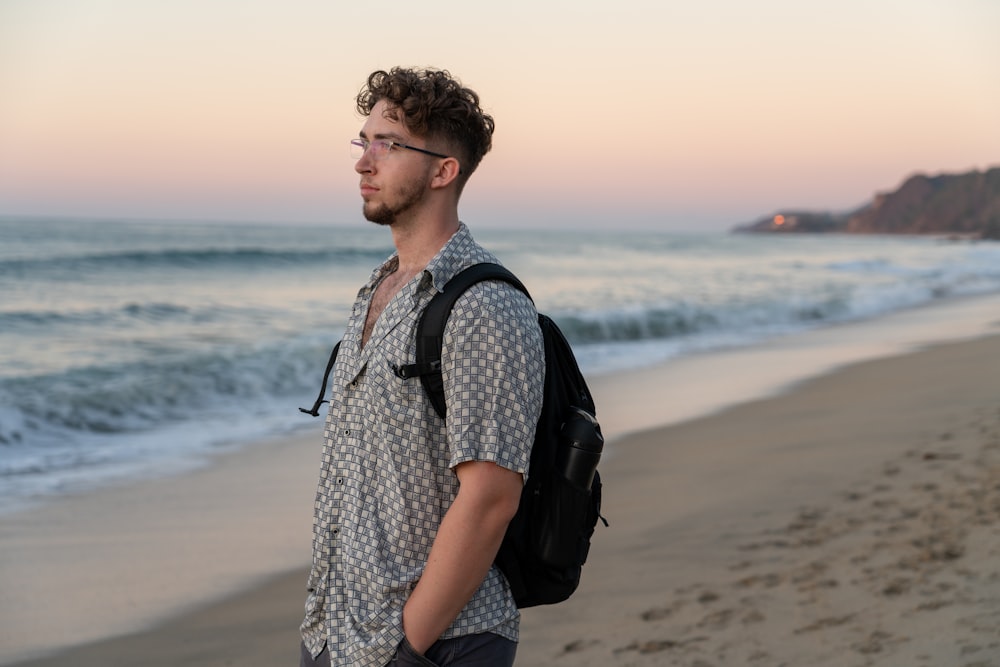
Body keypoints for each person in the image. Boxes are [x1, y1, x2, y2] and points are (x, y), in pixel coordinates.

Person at [299, 68, 545, 667]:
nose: (364, 162)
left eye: (388, 144)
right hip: (337, 631)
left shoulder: (483, 305)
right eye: (364, 142)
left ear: (443, 171)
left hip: (439, 642)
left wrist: (407, 647)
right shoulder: (378, 289)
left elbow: (491, 497)